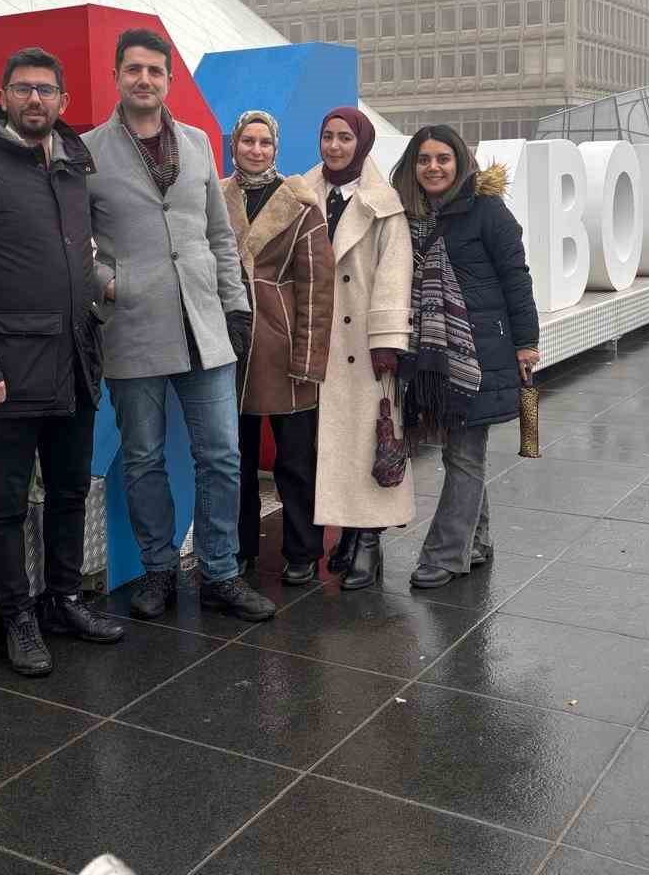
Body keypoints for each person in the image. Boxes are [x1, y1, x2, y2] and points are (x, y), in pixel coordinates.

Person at [0, 46, 123, 679]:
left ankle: (63, 600)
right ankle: (18, 616)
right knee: (8, 502)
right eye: (23, 89)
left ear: (63, 102)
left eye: (46, 89)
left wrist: (97, 307)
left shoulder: (71, 167)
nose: (35, 99)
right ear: (3, 96)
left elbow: (82, 257)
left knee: (70, 491)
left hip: (73, 361)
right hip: (10, 371)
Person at [85, 28, 277, 623]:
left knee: (220, 455)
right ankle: (159, 568)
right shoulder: (88, 151)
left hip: (205, 326)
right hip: (133, 328)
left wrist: (237, 308)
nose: (145, 79)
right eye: (134, 69)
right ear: (118, 76)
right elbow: (70, 242)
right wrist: (106, 284)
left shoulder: (196, 143)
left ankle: (220, 571)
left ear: (168, 79)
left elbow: (220, 237)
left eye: (156, 71)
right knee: (143, 458)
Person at [390, 124, 540, 589]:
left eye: (443, 158)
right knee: (463, 453)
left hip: (479, 352)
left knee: (464, 453)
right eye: (424, 159)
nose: (433, 167)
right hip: (432, 353)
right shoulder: (408, 214)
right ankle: (476, 541)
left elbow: (517, 278)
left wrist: (526, 343)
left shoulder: (487, 211)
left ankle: (444, 554)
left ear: (460, 163)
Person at [220, 110, 335, 584]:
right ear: (235, 146)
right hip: (228, 343)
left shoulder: (301, 204)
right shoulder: (215, 196)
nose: (256, 150)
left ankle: (304, 549)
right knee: (234, 460)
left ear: (276, 148)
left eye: (265, 142)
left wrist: (308, 358)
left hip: (283, 343)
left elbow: (317, 286)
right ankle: (239, 546)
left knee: (294, 459)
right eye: (248, 141)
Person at [304, 106, 415, 590]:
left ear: (362, 143)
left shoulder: (383, 202)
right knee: (334, 445)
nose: (334, 146)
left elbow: (395, 273)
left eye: (344, 138)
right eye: (327, 136)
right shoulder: (303, 193)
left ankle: (369, 539)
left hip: (365, 346)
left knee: (370, 438)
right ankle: (348, 532)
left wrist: (388, 341)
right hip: (317, 342)